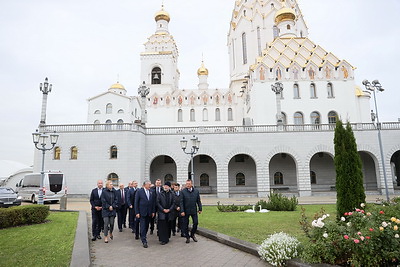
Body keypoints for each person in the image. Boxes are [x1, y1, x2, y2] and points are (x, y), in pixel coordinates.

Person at [180, 179, 202, 243]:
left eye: (189, 184)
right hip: (185, 211)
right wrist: (182, 211)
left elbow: (198, 201)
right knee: (185, 224)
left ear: (192, 184)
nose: (188, 185)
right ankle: (187, 237)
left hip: (193, 210)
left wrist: (200, 208)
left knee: (196, 223)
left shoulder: (196, 191)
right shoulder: (183, 191)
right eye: (187, 184)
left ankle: (192, 234)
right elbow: (181, 202)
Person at [135, 180, 156, 248]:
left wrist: (153, 211)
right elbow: (136, 203)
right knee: (143, 226)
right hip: (142, 212)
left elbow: (153, 203)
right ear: (145, 185)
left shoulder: (151, 192)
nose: (150, 186)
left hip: (149, 212)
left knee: (146, 226)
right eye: (149, 184)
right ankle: (144, 240)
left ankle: (143, 235)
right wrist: (137, 212)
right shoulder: (139, 192)